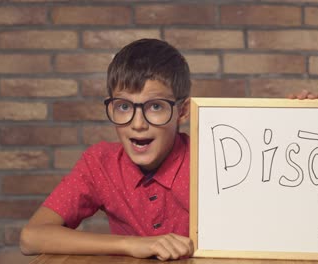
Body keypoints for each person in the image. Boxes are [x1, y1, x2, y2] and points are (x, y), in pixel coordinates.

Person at [20, 39, 193, 261]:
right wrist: (130, 244)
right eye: (123, 106)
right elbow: (31, 237)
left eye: (156, 106)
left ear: (183, 111)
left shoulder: (207, 161)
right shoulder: (100, 163)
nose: (138, 123)